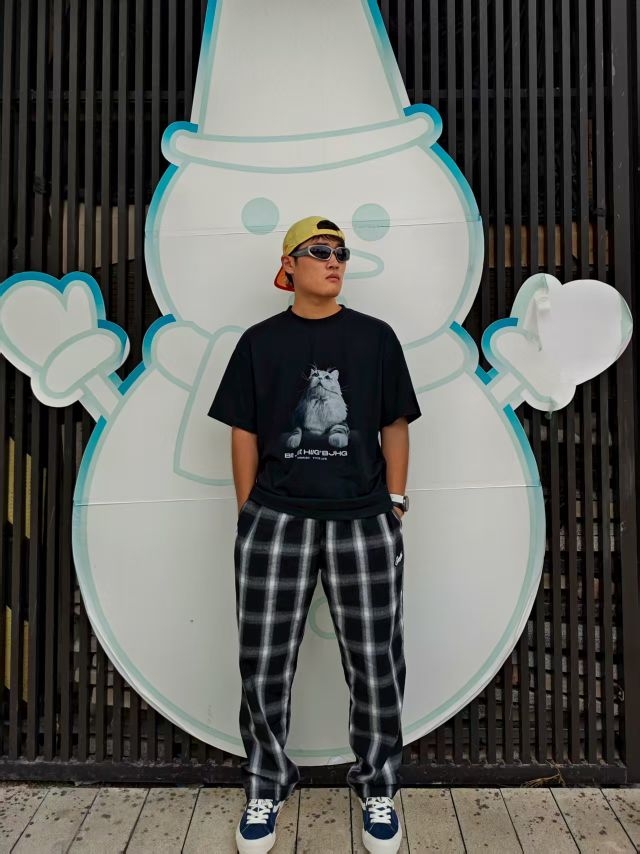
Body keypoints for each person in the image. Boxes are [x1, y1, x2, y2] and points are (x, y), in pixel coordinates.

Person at [208, 216, 421, 854]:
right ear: (289, 265)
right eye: (320, 251)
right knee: (264, 662)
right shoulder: (259, 342)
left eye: (342, 252)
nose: (334, 261)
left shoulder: (375, 338)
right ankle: (266, 784)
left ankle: (378, 786)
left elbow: (395, 423)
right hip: (276, 519)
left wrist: (395, 502)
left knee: (376, 662)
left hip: (363, 518)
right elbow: (243, 429)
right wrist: (249, 510)